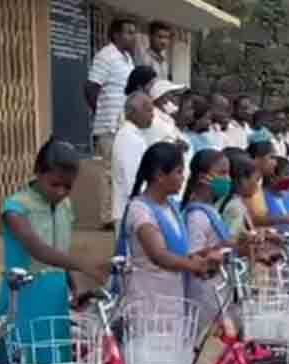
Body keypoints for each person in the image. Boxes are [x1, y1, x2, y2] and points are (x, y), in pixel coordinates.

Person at [0, 140, 110, 360]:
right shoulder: (16, 208)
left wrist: (74, 287)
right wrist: (84, 265)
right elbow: (38, 249)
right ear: (38, 173)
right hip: (23, 298)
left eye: (68, 187)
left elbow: (60, 251)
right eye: (54, 184)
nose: (61, 192)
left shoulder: (64, 206)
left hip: (55, 296)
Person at [117, 141, 212, 304]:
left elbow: (178, 252)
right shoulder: (139, 209)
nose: (183, 178)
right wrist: (195, 266)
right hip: (148, 298)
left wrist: (205, 257)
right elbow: (158, 254)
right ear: (160, 175)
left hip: (173, 294)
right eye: (179, 172)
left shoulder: (172, 207)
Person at [85, 18, 138, 230]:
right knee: (108, 171)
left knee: (120, 169)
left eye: (134, 32)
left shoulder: (126, 58)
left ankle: (120, 212)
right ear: (116, 35)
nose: (133, 37)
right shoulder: (105, 56)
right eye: (129, 32)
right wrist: (101, 112)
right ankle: (107, 217)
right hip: (109, 124)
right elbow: (90, 87)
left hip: (123, 124)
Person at [182, 148, 233, 325]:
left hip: (218, 291)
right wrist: (217, 251)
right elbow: (193, 257)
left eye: (229, 173)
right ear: (203, 177)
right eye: (222, 173)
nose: (228, 179)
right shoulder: (196, 216)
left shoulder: (211, 210)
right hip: (204, 295)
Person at [112, 92, 155, 233]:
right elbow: (133, 179)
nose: (152, 115)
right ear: (132, 112)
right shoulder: (129, 138)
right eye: (148, 110)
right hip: (129, 210)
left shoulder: (134, 135)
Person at [220, 149, 259, 236]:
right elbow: (232, 239)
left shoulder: (236, 202)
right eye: (256, 180)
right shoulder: (234, 207)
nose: (257, 185)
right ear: (243, 180)